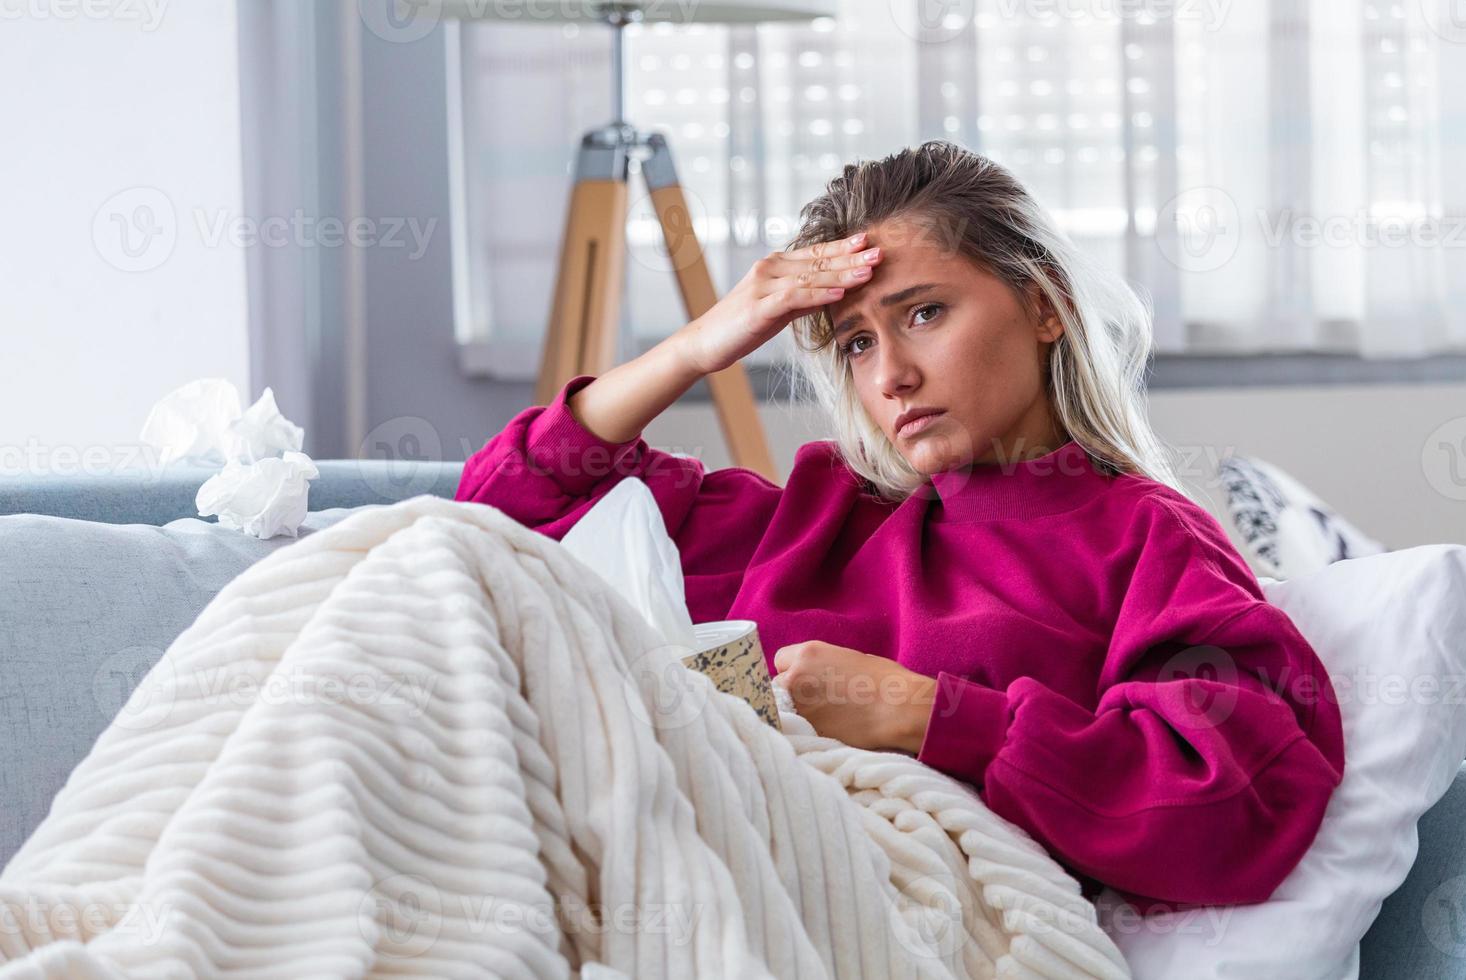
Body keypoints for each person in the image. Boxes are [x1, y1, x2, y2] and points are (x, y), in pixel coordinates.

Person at [456, 140, 1345, 914]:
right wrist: (697, 346)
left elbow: (1239, 803)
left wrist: (924, 713)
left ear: (1045, 307)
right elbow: (493, 521)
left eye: (924, 313)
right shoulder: (819, 514)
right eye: (855, 342)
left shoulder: (1146, 539)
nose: (890, 376)